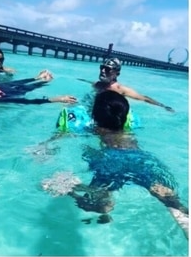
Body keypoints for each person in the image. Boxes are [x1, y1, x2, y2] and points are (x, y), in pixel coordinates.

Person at [53, 91, 188, 238]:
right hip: (139, 158)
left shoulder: (93, 129)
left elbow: (68, 133)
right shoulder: (129, 127)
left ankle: (72, 188)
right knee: (168, 198)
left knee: (98, 204)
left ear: (94, 115)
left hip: (110, 160)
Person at [85, 58, 174, 112]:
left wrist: (163, 106)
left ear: (117, 74)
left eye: (108, 69)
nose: (103, 71)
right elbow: (88, 82)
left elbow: (144, 98)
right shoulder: (97, 84)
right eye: (102, 68)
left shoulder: (121, 90)